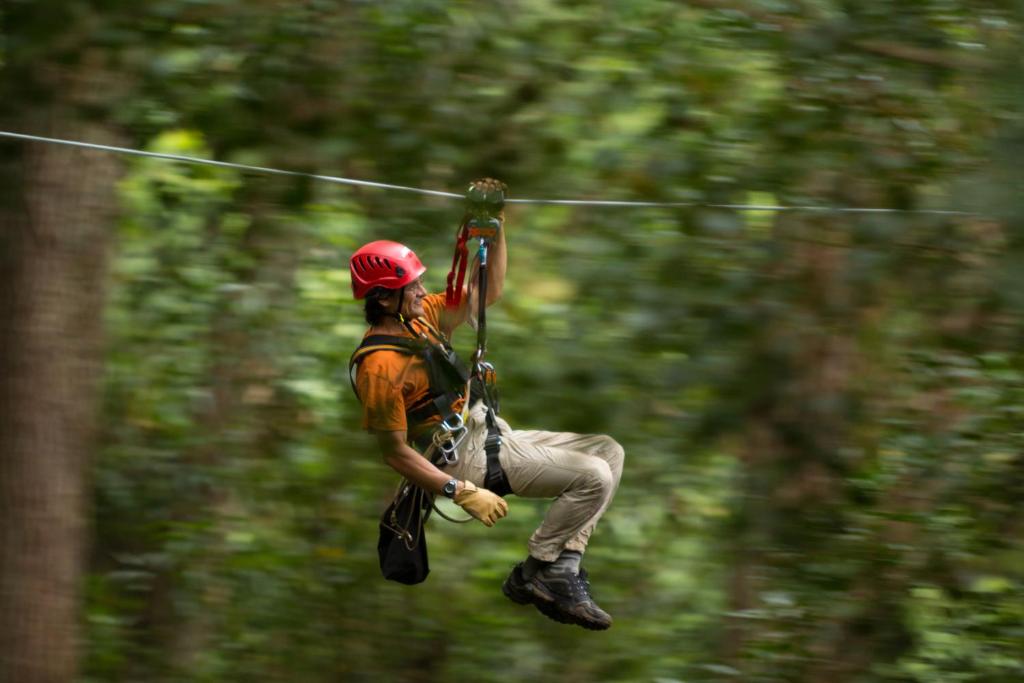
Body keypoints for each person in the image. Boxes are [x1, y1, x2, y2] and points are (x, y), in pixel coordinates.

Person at [347, 179, 624, 630]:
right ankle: (538, 569)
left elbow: (486, 294)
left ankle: (553, 571)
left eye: (418, 283)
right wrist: (460, 492)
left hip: (489, 430)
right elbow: (394, 452)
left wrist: (496, 226)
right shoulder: (379, 366)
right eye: (410, 286)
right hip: (461, 458)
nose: (421, 291)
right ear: (383, 297)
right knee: (593, 477)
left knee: (609, 451)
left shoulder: (423, 321)